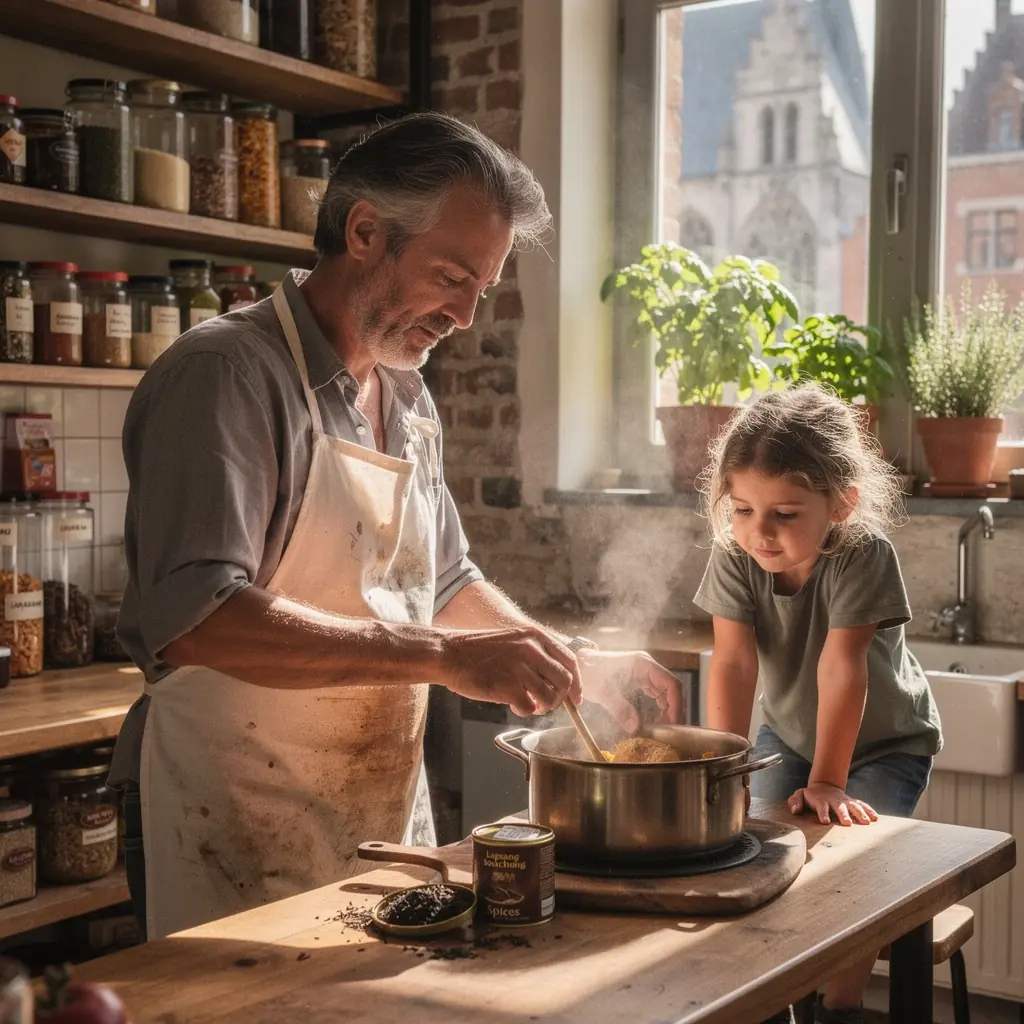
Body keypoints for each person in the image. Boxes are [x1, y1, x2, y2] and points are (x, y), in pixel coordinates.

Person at [109, 112, 682, 941]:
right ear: (366, 232)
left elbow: (443, 582)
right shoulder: (226, 375)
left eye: (479, 290)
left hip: (375, 820)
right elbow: (197, 616)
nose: (465, 316)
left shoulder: (407, 394)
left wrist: (564, 661)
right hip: (231, 825)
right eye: (451, 277)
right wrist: (449, 659)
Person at [693, 385, 942, 1024]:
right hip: (791, 736)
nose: (759, 532)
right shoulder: (734, 553)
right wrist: (725, 772)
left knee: (848, 871)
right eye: (743, 509)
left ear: (841, 503)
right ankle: (770, 998)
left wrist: (831, 780)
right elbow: (733, 662)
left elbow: (843, 666)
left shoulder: (863, 553)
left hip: (886, 743)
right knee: (752, 853)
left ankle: (839, 1007)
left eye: (785, 513)